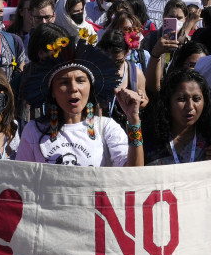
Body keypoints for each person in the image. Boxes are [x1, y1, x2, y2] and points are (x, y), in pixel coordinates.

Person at [17, 38, 143, 166]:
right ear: (52, 91)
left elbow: (133, 174)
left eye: (80, 80)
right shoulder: (33, 131)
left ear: (90, 87)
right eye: (64, 83)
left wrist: (133, 120)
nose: (73, 88)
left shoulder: (106, 128)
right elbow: (22, 180)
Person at [143, 68, 211, 166]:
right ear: (167, 102)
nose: (190, 106)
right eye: (181, 99)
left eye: (196, 99)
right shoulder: (150, 135)